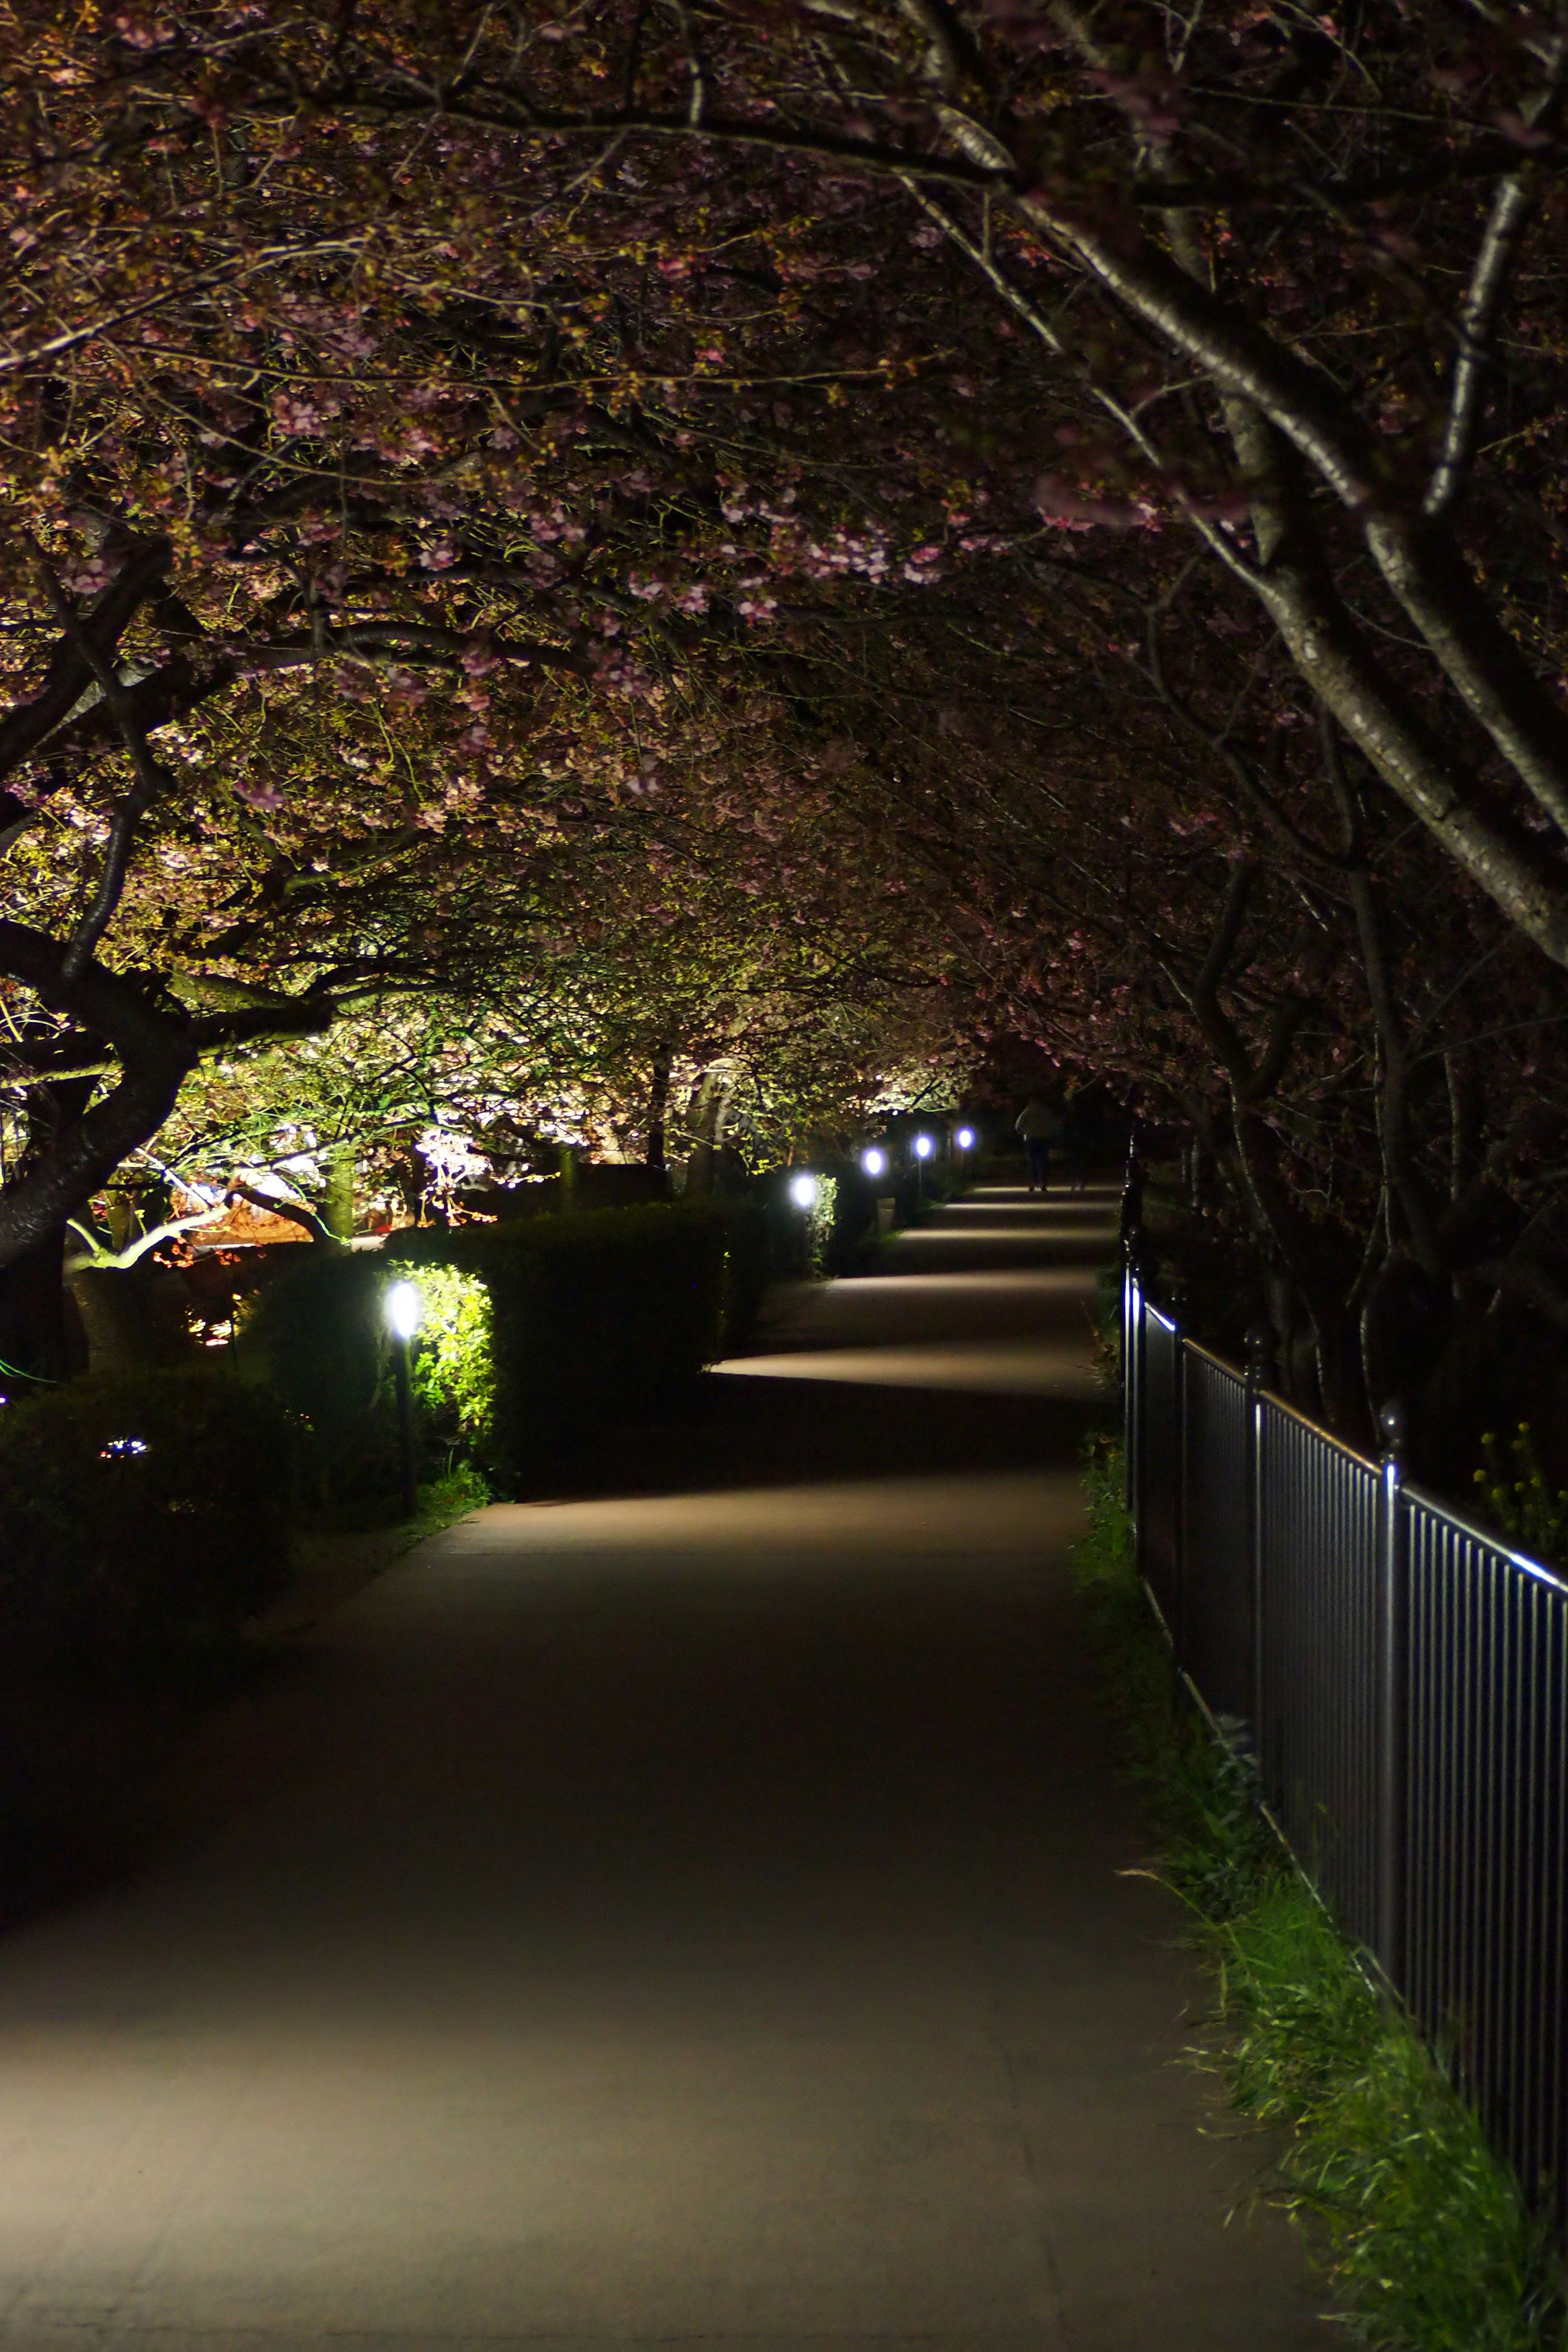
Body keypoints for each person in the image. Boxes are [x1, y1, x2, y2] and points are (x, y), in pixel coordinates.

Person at [1016, 1096, 1060, 1194]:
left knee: (1033, 1161)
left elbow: (1019, 1125)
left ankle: (1033, 1182)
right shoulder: (1047, 1112)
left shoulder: (1028, 1112)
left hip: (1031, 1139)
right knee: (1044, 1160)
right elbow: (1055, 1125)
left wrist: (1025, 1132)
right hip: (1044, 1138)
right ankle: (1043, 1182)